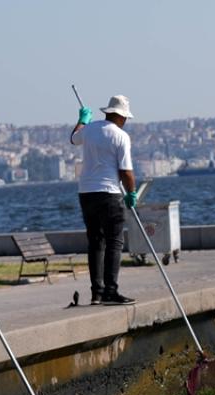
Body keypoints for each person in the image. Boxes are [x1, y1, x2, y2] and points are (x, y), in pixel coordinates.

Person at [71, 94, 138, 305]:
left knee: (96, 242)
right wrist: (131, 193)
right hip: (109, 193)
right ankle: (111, 290)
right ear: (120, 116)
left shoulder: (89, 129)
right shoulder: (120, 136)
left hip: (86, 193)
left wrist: (83, 119)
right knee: (114, 242)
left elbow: (74, 138)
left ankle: (97, 293)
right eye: (125, 117)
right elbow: (126, 171)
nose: (126, 121)